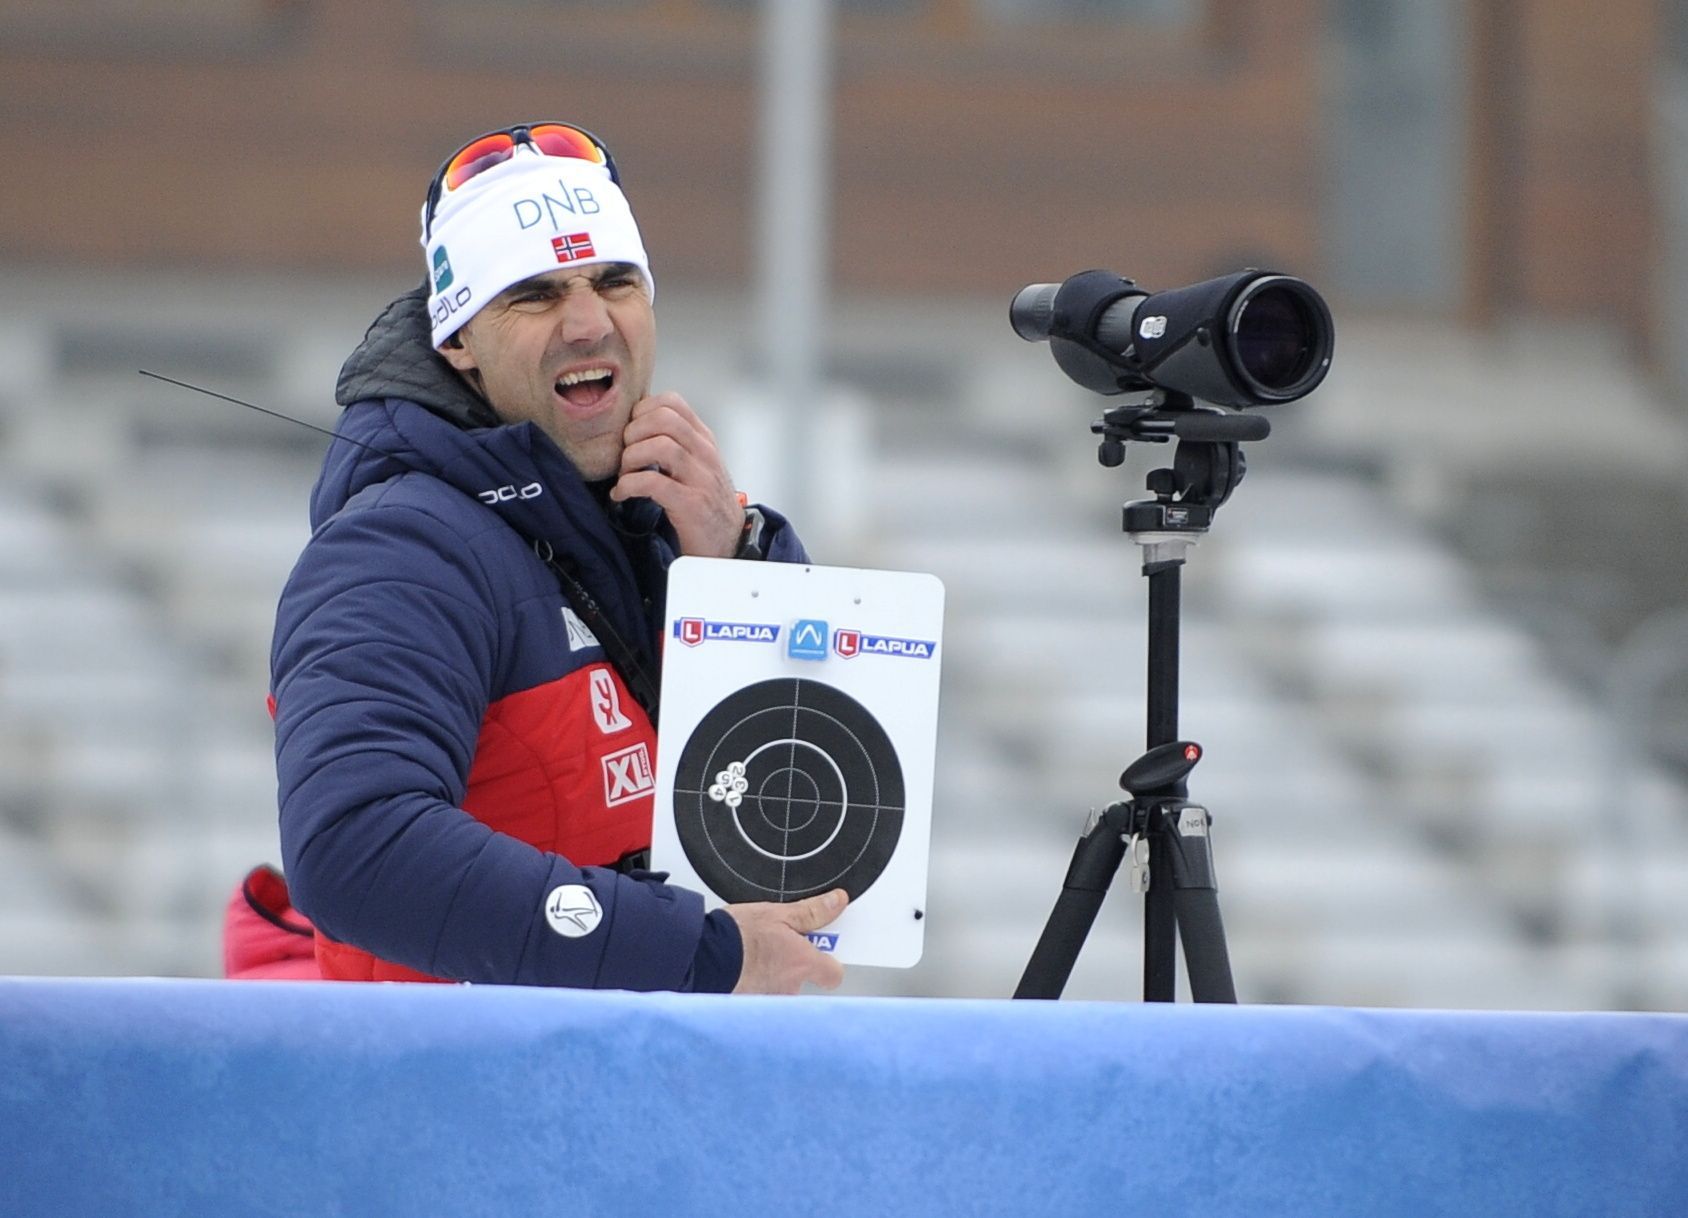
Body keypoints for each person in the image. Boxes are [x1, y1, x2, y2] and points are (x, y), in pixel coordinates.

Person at [270, 121, 846, 994]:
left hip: (635, 1090)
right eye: (533, 295)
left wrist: (741, 571)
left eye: (615, 281)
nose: (588, 323)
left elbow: (815, 804)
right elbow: (356, 848)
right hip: (464, 1106)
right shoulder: (399, 549)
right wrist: (693, 953)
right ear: (457, 339)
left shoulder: (660, 525)